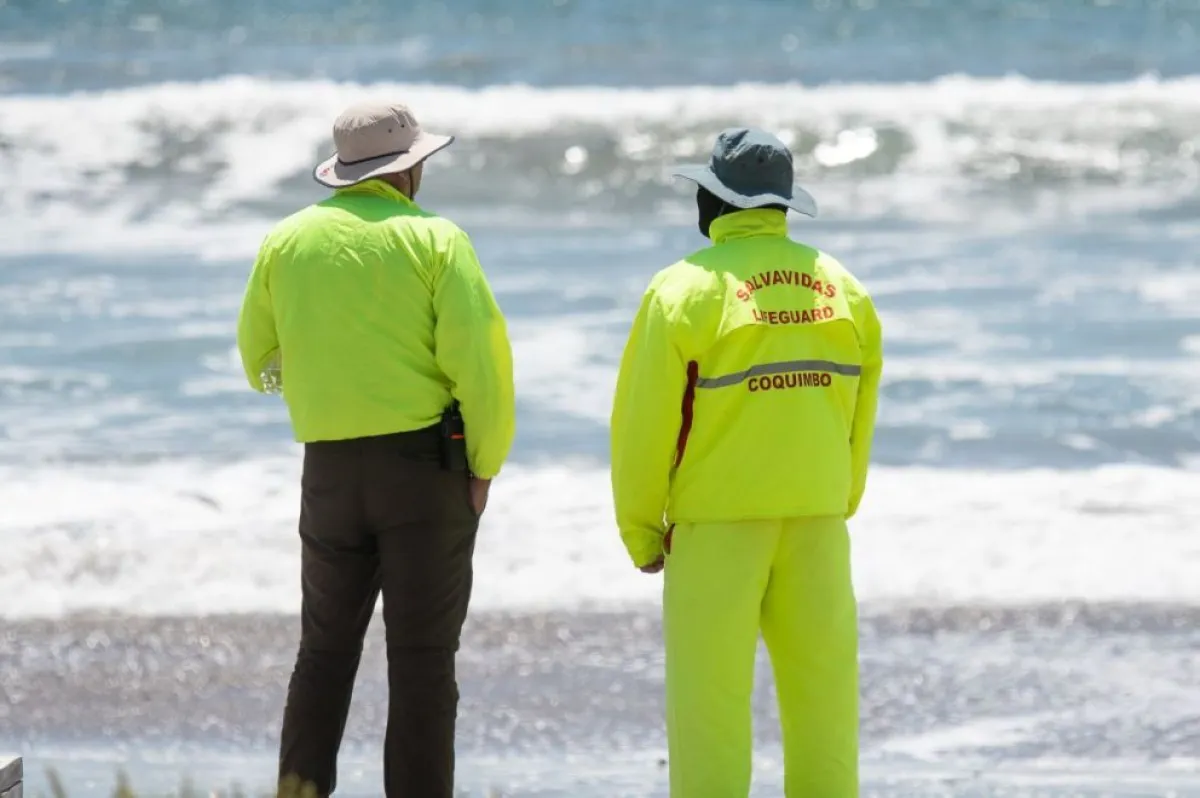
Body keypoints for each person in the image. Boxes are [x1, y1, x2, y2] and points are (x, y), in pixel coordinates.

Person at [236, 100, 516, 798]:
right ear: (411, 168)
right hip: (422, 472)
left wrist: (325, 384)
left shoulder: (287, 240)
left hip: (327, 470)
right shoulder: (437, 240)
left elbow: (256, 354)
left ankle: (299, 794)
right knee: (422, 661)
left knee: (323, 654)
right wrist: (485, 465)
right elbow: (480, 367)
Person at [609, 127, 883, 797]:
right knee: (824, 711)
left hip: (717, 529)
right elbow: (859, 415)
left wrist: (641, 531)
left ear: (715, 202)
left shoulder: (682, 292)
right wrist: (837, 502)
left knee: (710, 714)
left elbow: (642, 427)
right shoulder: (842, 286)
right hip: (818, 523)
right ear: (783, 206)